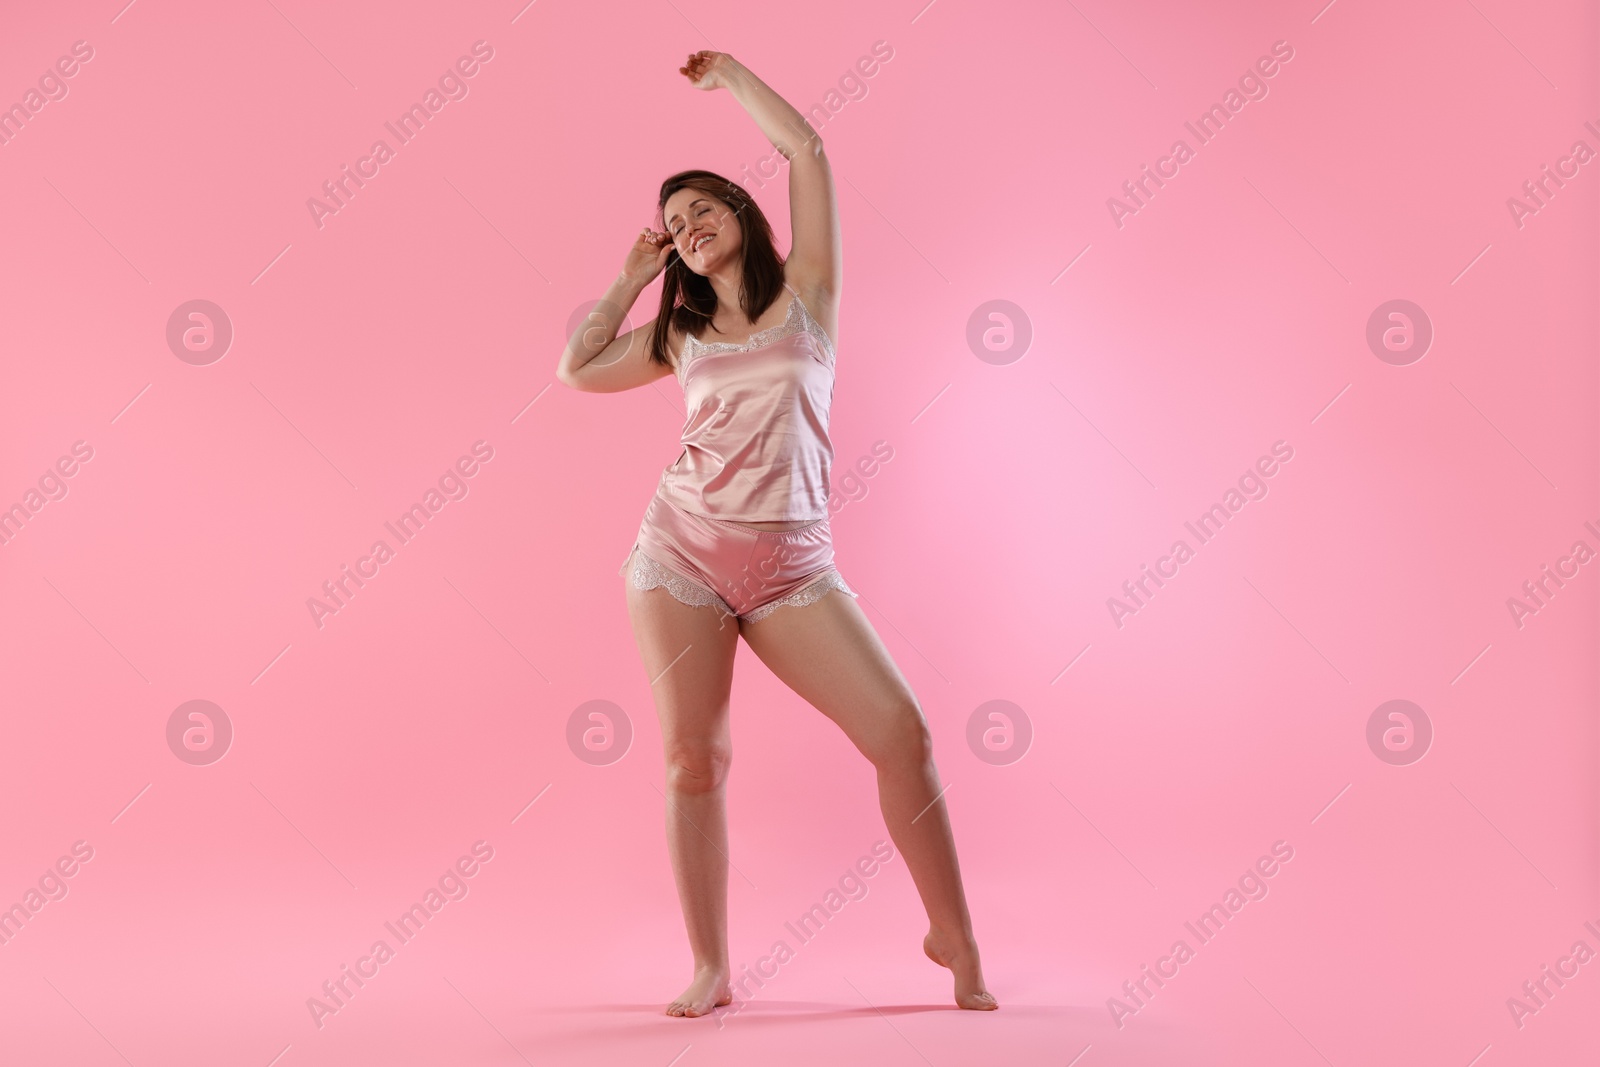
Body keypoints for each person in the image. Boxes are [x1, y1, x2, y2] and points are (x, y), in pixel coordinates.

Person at [556, 50, 996, 1018]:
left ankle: (951, 931)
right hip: (679, 556)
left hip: (793, 565)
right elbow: (577, 369)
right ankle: (711, 964)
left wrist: (735, 78)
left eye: (700, 209)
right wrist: (631, 274)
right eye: (672, 225)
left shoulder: (811, 293)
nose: (686, 228)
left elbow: (805, 146)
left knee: (901, 733)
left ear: (739, 216)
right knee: (692, 758)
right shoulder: (679, 333)